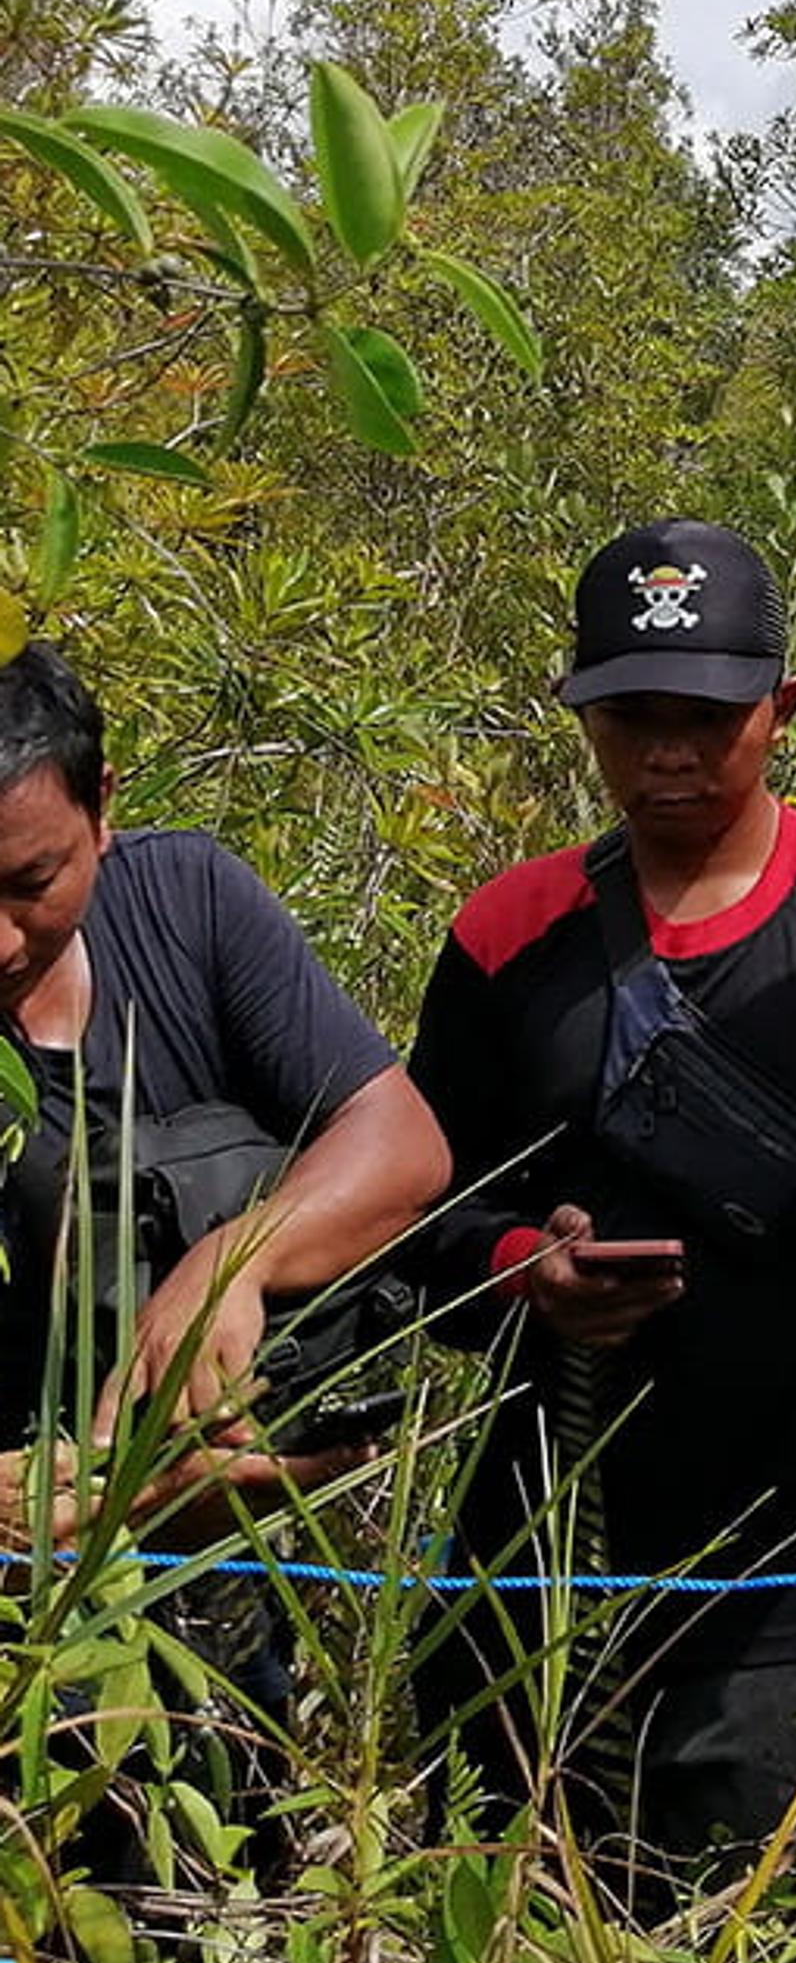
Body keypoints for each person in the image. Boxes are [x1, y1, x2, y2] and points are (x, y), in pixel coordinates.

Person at [409, 517, 796, 1877]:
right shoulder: (508, 935)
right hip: (539, 1553)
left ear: (782, 709)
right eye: (627, 719)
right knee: (507, 1959)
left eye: (706, 718)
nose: (666, 754)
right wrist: (519, 1267)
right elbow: (410, 1213)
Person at [0, 637, 448, 1523]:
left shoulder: (185, 901)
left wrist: (228, 1265)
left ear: (100, 810)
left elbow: (400, 1142)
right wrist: (129, 1500)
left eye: (31, 883)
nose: (3, 943)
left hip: (222, 1573)